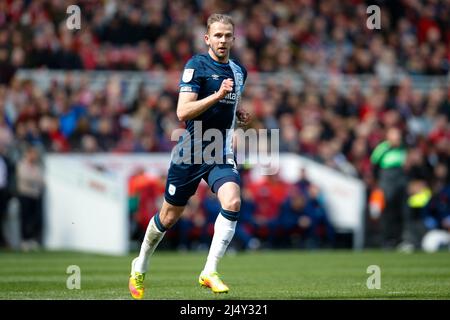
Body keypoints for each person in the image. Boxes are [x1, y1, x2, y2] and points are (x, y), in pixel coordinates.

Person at [128, 14, 250, 299]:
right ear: (207, 38)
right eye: (217, 35)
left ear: (234, 38)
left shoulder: (239, 70)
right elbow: (182, 112)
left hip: (220, 150)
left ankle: (209, 270)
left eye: (227, 35)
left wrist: (238, 111)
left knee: (232, 200)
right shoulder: (196, 66)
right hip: (192, 150)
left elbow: (233, 99)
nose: (222, 40)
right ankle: (141, 263)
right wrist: (217, 96)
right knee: (168, 217)